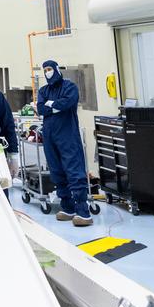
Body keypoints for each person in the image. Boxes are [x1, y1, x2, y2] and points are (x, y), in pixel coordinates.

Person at [36, 59, 93, 227]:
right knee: (57, 171)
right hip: (50, 137)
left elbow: (68, 102)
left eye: (49, 69)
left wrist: (52, 105)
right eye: (45, 70)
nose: (47, 72)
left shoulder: (69, 87)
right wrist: (56, 106)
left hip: (67, 135)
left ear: (56, 69)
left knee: (74, 170)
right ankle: (68, 208)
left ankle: (83, 212)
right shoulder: (43, 90)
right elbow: (41, 109)